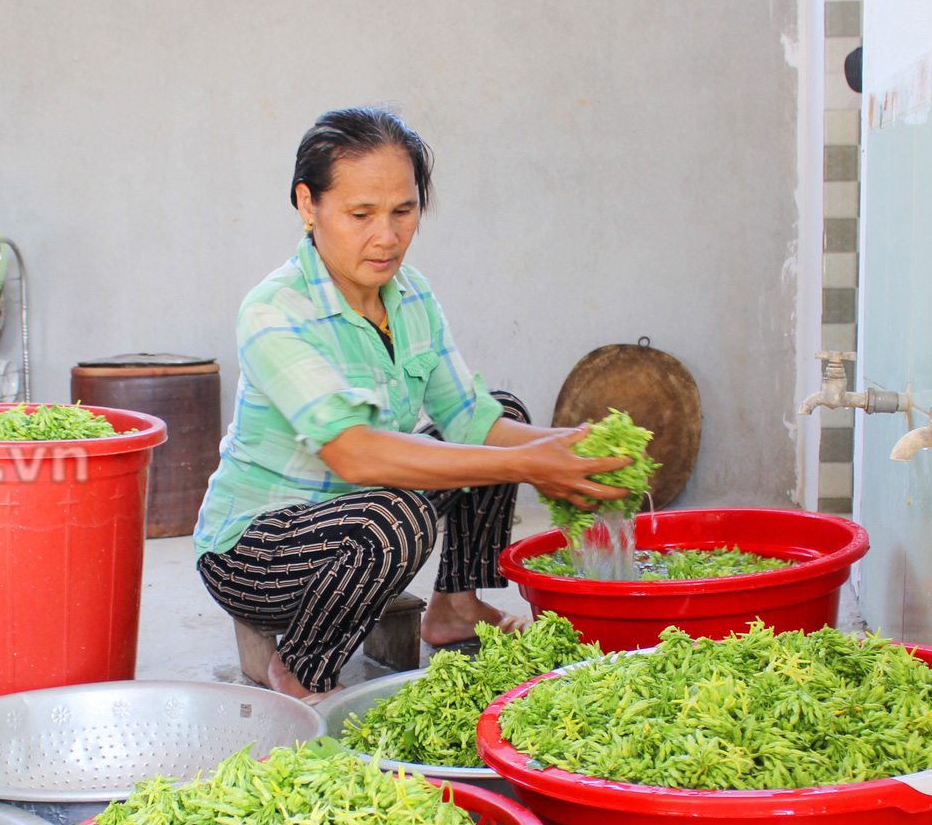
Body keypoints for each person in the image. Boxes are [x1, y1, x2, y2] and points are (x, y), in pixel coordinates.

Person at [192, 107, 629, 703]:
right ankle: (300, 668)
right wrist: (531, 465)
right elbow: (357, 456)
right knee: (396, 519)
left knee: (506, 412)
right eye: (360, 214)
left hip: (364, 508)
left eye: (404, 211)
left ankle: (455, 605)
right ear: (307, 204)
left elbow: (470, 418)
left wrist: (571, 448)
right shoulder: (276, 310)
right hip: (258, 551)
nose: (387, 236)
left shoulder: (412, 294)